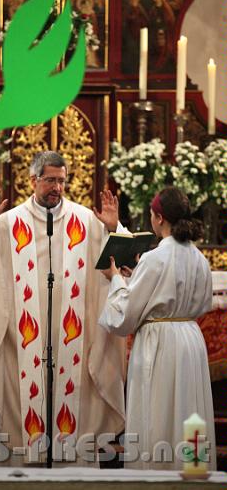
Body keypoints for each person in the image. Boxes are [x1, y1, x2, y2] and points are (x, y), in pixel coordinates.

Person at [0, 151, 127, 466]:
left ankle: (74, 473)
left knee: (76, 405)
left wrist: (113, 227)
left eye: (62, 181)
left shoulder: (88, 220)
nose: (57, 188)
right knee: (21, 404)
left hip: (75, 340)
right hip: (21, 342)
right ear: (33, 180)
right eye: (50, 180)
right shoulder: (7, 222)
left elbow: (126, 262)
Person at [99, 186, 216, 470]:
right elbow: (201, 302)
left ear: (159, 218)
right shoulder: (199, 257)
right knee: (189, 412)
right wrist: (137, 276)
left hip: (160, 344)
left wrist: (116, 279)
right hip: (190, 340)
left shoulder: (154, 259)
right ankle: (192, 473)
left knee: (158, 413)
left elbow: (125, 315)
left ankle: (156, 475)